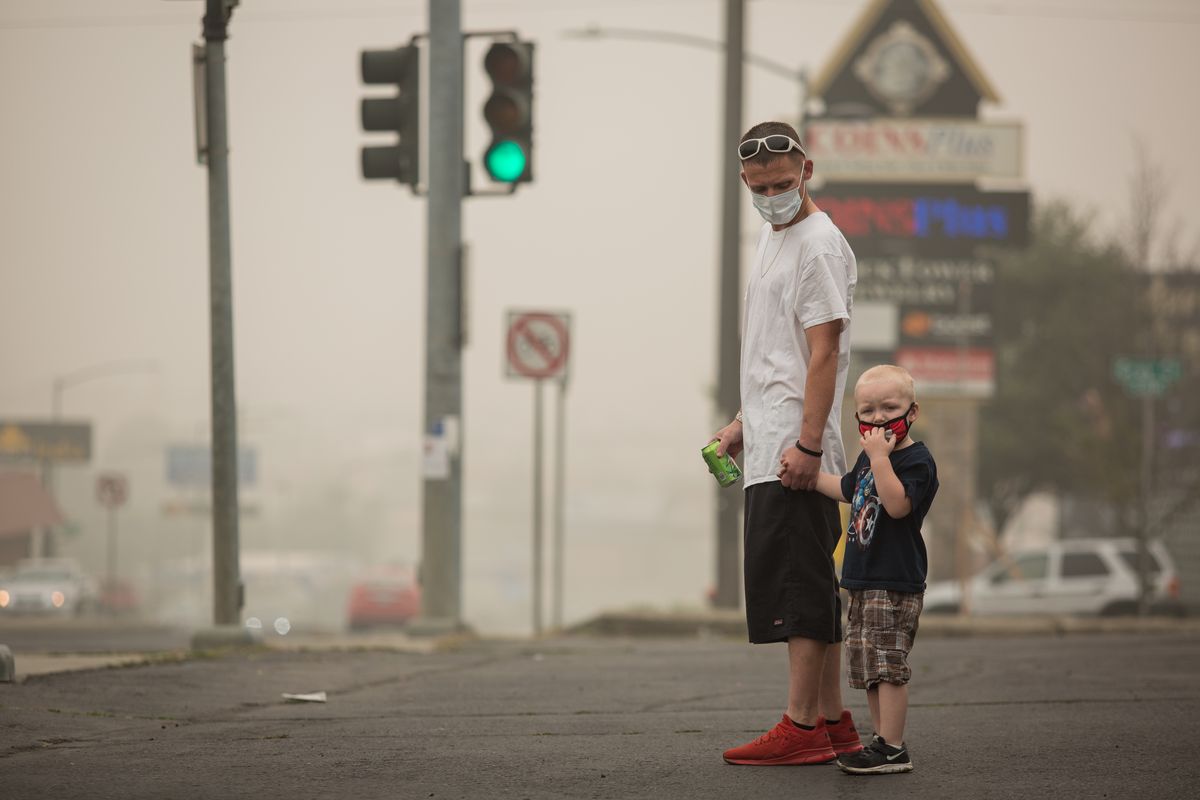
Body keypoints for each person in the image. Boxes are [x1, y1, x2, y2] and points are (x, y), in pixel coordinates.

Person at [711, 121, 861, 766]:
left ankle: (800, 728)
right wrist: (745, 422)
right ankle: (831, 725)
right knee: (812, 585)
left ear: (807, 169)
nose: (773, 194)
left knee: (798, 589)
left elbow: (824, 349)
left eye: (783, 182)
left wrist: (804, 444)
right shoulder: (774, 239)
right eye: (760, 186)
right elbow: (778, 350)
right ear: (744, 180)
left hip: (795, 452)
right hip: (772, 436)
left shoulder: (819, 244)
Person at [814, 364, 939, 775]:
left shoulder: (916, 460)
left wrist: (880, 457)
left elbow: (897, 504)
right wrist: (808, 478)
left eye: (890, 407)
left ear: (913, 411)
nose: (879, 417)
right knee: (869, 669)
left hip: (894, 581)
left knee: (889, 666)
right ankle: (881, 741)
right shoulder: (870, 460)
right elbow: (848, 491)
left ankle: (894, 747)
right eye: (868, 410)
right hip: (864, 581)